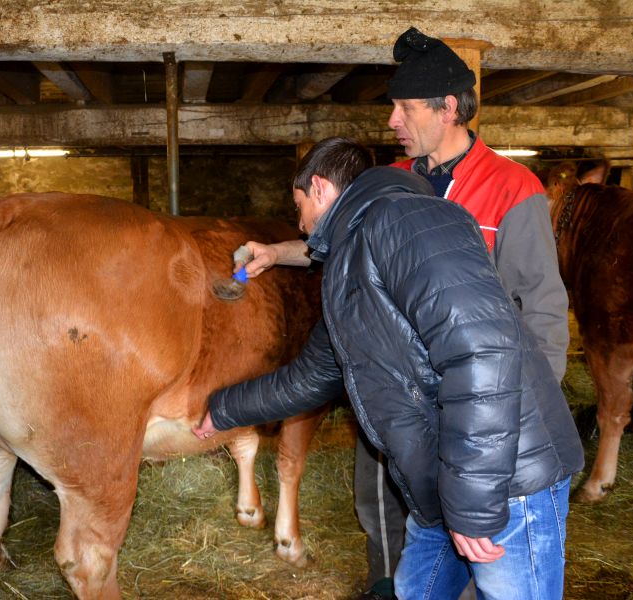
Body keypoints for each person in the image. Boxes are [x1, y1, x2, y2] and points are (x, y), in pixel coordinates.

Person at [235, 27, 570, 600]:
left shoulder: (512, 188)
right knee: (384, 499)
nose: (392, 119)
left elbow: (540, 304)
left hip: (476, 403)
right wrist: (279, 254)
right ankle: (388, 583)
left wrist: (512, 422)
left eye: (405, 107)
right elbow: (336, 241)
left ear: (446, 109)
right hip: (400, 390)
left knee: (479, 539)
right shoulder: (394, 181)